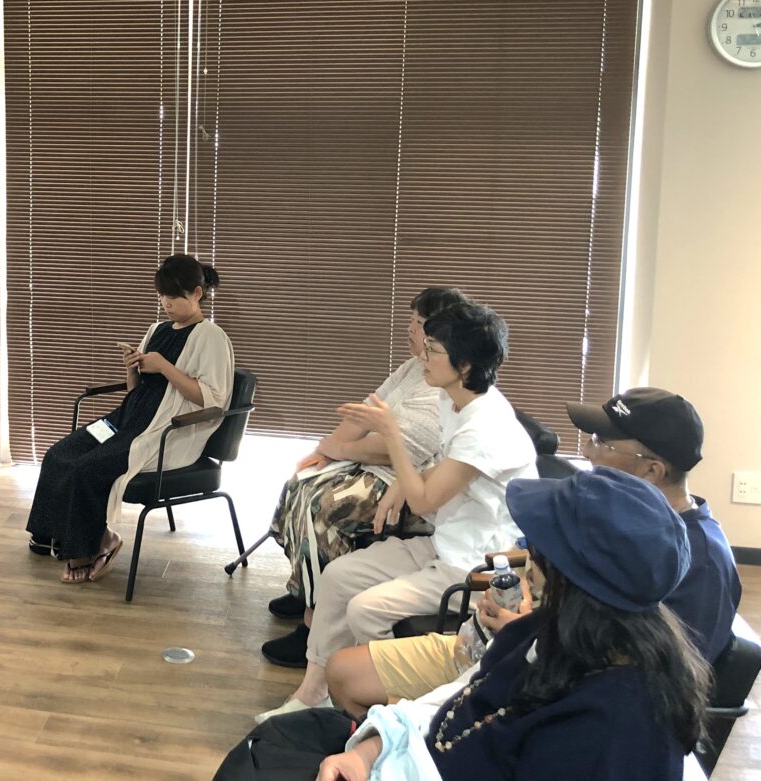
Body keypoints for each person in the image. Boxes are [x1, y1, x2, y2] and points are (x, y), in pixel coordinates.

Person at [326, 387, 741, 714]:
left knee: (392, 722)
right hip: (505, 645)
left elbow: (655, 684)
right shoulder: (612, 520)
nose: (587, 452)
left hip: (547, 681)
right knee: (343, 674)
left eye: (602, 444)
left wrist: (526, 630)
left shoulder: (700, 565)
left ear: (652, 470)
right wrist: (522, 596)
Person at [300, 468, 711, 781]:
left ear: (568, 578)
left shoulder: (605, 732)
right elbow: (458, 699)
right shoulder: (545, 633)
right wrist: (372, 749)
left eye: (535, 546)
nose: (524, 556)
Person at [257, 301, 537, 723]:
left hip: (473, 563)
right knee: (338, 576)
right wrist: (402, 484)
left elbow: (424, 501)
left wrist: (392, 436)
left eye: (434, 350)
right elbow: (438, 473)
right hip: (444, 543)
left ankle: (386, 713)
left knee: (365, 609)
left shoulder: (487, 427)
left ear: (463, 366)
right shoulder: (455, 401)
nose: (423, 355)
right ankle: (313, 693)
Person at [262, 288, 469, 666]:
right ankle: (304, 587)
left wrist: (339, 450)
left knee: (324, 506)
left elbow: (396, 448)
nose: (410, 329)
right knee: (300, 483)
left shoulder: (445, 385)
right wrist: (325, 450)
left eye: (419, 323)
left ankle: (315, 624)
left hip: (402, 480)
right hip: (373, 466)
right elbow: (366, 413)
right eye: (411, 320)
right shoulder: (413, 367)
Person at [25, 254, 234, 584]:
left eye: (173, 296)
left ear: (197, 293)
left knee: (86, 467)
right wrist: (132, 367)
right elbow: (137, 389)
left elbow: (213, 400)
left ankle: (96, 546)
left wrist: (163, 366)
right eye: (162, 295)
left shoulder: (211, 337)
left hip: (162, 430)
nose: (166, 303)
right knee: (60, 453)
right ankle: (52, 535)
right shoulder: (156, 330)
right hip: (124, 419)